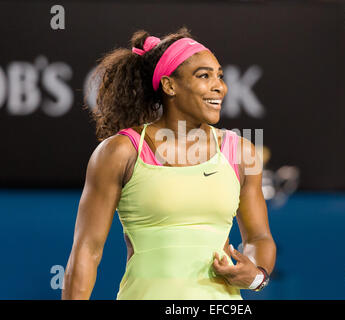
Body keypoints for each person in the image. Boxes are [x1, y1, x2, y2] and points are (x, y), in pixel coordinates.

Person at [62, 27, 276, 300]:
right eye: (204, 76)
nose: (219, 86)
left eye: (219, 76)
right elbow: (87, 251)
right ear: (169, 85)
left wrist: (257, 276)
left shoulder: (241, 153)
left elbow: (259, 238)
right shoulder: (119, 152)